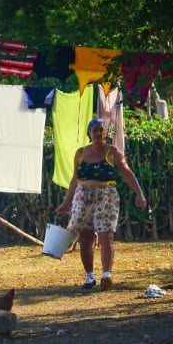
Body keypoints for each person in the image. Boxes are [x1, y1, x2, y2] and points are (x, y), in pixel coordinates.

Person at [56, 118, 147, 290]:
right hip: (83, 196)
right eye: (95, 130)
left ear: (106, 133)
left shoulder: (113, 152)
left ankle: (106, 275)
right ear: (89, 133)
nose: (98, 133)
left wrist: (139, 194)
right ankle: (89, 276)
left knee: (106, 236)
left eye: (101, 130)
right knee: (85, 238)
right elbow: (75, 179)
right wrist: (66, 202)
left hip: (106, 197)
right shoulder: (80, 153)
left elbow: (127, 173)